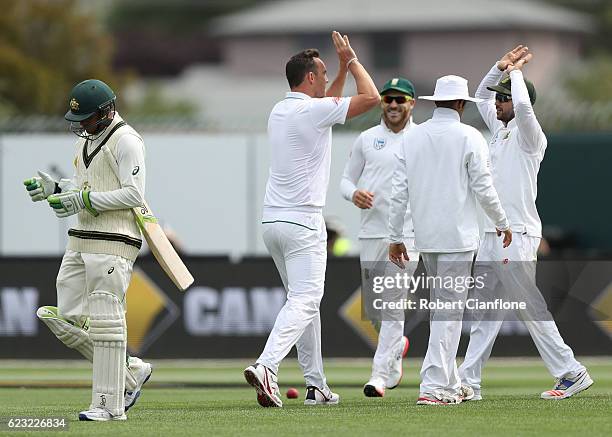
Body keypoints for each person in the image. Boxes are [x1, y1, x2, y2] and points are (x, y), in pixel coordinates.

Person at [244, 31, 380, 407]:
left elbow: (329, 100)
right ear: (309, 79)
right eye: (321, 73)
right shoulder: (312, 111)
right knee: (306, 300)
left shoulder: (282, 109)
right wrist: (351, 62)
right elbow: (372, 98)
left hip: (273, 222)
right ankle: (267, 366)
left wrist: (335, 71)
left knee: (302, 303)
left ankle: (316, 384)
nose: (326, 79)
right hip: (303, 222)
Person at [458, 46, 593, 400]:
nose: (497, 104)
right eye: (499, 99)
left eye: (503, 99)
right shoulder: (500, 131)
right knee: (486, 313)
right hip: (492, 232)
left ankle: (571, 371)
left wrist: (515, 74)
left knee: (528, 306)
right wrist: (498, 66)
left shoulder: (530, 135)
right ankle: (468, 382)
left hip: (516, 234)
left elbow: (521, 106)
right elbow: (478, 96)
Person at [24, 79, 152, 421]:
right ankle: (131, 373)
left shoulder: (127, 141)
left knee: (107, 322)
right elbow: (88, 188)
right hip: (80, 238)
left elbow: (134, 195)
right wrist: (58, 189)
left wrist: (84, 199)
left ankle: (109, 406)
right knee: (67, 319)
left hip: (113, 242)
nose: (80, 125)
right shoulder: (88, 141)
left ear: (107, 111)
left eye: (87, 119)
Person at [388, 75, 512, 405]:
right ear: (460, 104)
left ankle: (451, 382)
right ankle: (434, 387)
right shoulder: (470, 136)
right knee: (449, 313)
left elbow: (397, 192)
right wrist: (502, 221)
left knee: (444, 309)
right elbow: (484, 188)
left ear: (436, 102)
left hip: (426, 237)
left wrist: (395, 236)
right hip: (459, 237)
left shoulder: (412, 138)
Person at [340, 77, 419, 397]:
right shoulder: (367, 139)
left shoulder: (423, 139)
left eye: (401, 100)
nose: (394, 105)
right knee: (374, 311)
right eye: (388, 99)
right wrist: (354, 194)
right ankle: (396, 348)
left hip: (408, 236)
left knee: (392, 307)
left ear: (412, 103)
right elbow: (345, 180)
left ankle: (378, 376)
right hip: (371, 232)